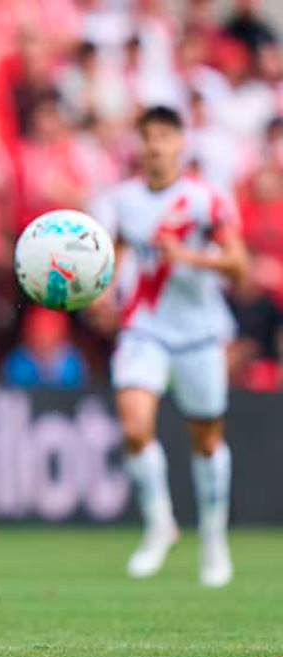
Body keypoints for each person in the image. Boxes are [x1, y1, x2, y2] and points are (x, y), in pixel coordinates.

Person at [96, 106, 247, 587]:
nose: (155, 145)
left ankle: (213, 537)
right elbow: (113, 253)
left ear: (181, 142)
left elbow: (239, 266)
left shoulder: (205, 200)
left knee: (205, 439)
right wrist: (100, 291)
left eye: (163, 135)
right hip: (144, 330)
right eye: (147, 136)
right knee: (135, 426)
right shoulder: (122, 200)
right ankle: (160, 524)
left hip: (200, 334)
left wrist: (187, 256)